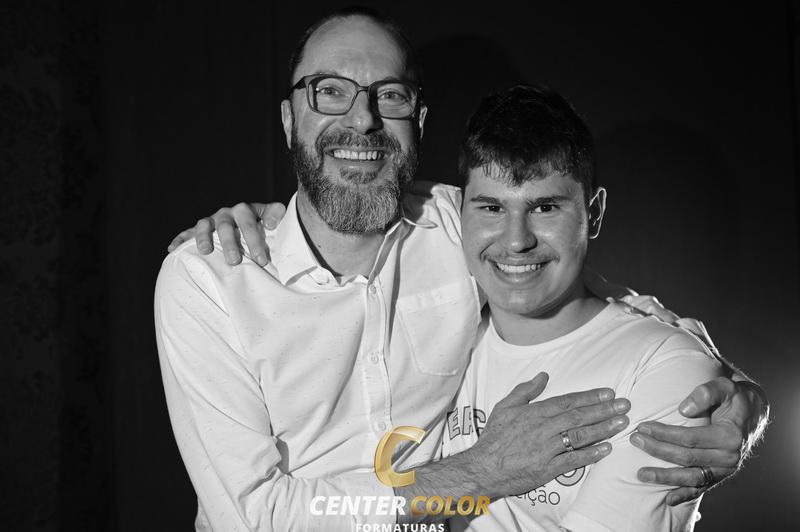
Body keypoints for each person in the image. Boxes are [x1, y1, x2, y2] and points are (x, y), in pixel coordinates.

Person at [157, 7, 767, 531]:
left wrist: (740, 396)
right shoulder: (210, 281)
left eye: (389, 95)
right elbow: (253, 517)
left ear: (417, 122)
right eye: (330, 90)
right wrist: (477, 474)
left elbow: (596, 301)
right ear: (291, 120)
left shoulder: (459, 221)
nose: (363, 119)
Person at [442, 84, 724, 531]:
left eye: (545, 207)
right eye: (492, 207)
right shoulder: (437, 335)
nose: (516, 241)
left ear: (594, 212)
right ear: (459, 211)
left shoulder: (663, 365)